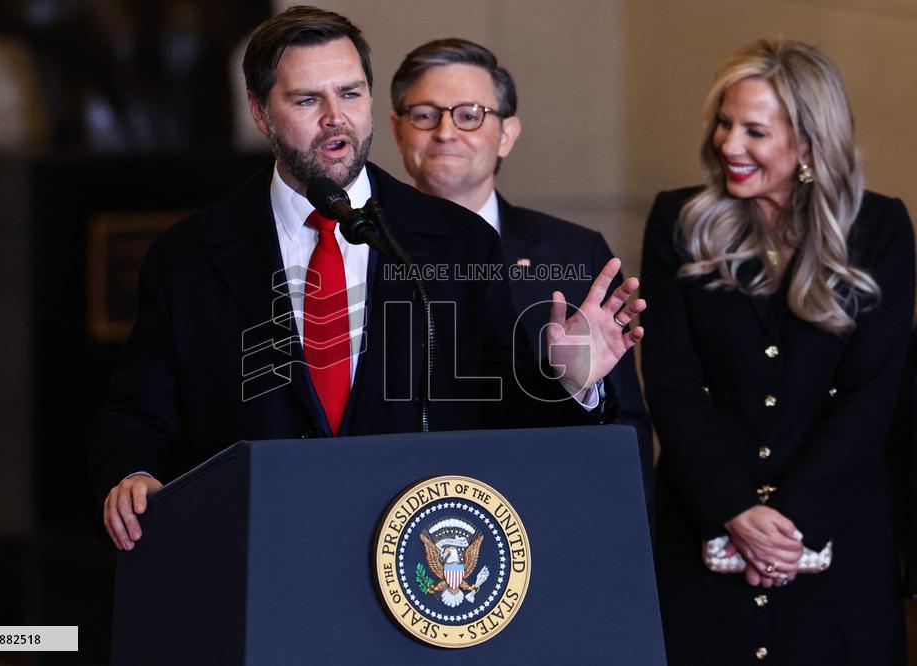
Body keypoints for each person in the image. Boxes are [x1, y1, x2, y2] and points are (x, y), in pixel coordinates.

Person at [88, 6, 645, 552]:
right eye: (308, 100)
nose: (336, 117)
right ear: (260, 112)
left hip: (413, 557)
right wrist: (133, 473)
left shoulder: (458, 240)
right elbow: (138, 412)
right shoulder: (188, 256)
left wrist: (568, 382)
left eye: (351, 94)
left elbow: (509, 425)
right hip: (254, 550)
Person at [641, 38, 914, 664]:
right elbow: (673, 383)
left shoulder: (881, 229)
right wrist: (734, 511)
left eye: (755, 132)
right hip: (703, 530)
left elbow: (872, 394)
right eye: (724, 123)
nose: (728, 145)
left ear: (810, 145)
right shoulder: (678, 221)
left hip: (837, 535)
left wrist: (790, 527)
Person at [389, 38, 654, 503]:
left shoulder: (575, 253)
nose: (446, 132)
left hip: (541, 506)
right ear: (398, 130)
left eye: (469, 115)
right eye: (425, 114)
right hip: (396, 502)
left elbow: (625, 432)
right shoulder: (360, 249)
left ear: (507, 134)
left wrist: (577, 386)